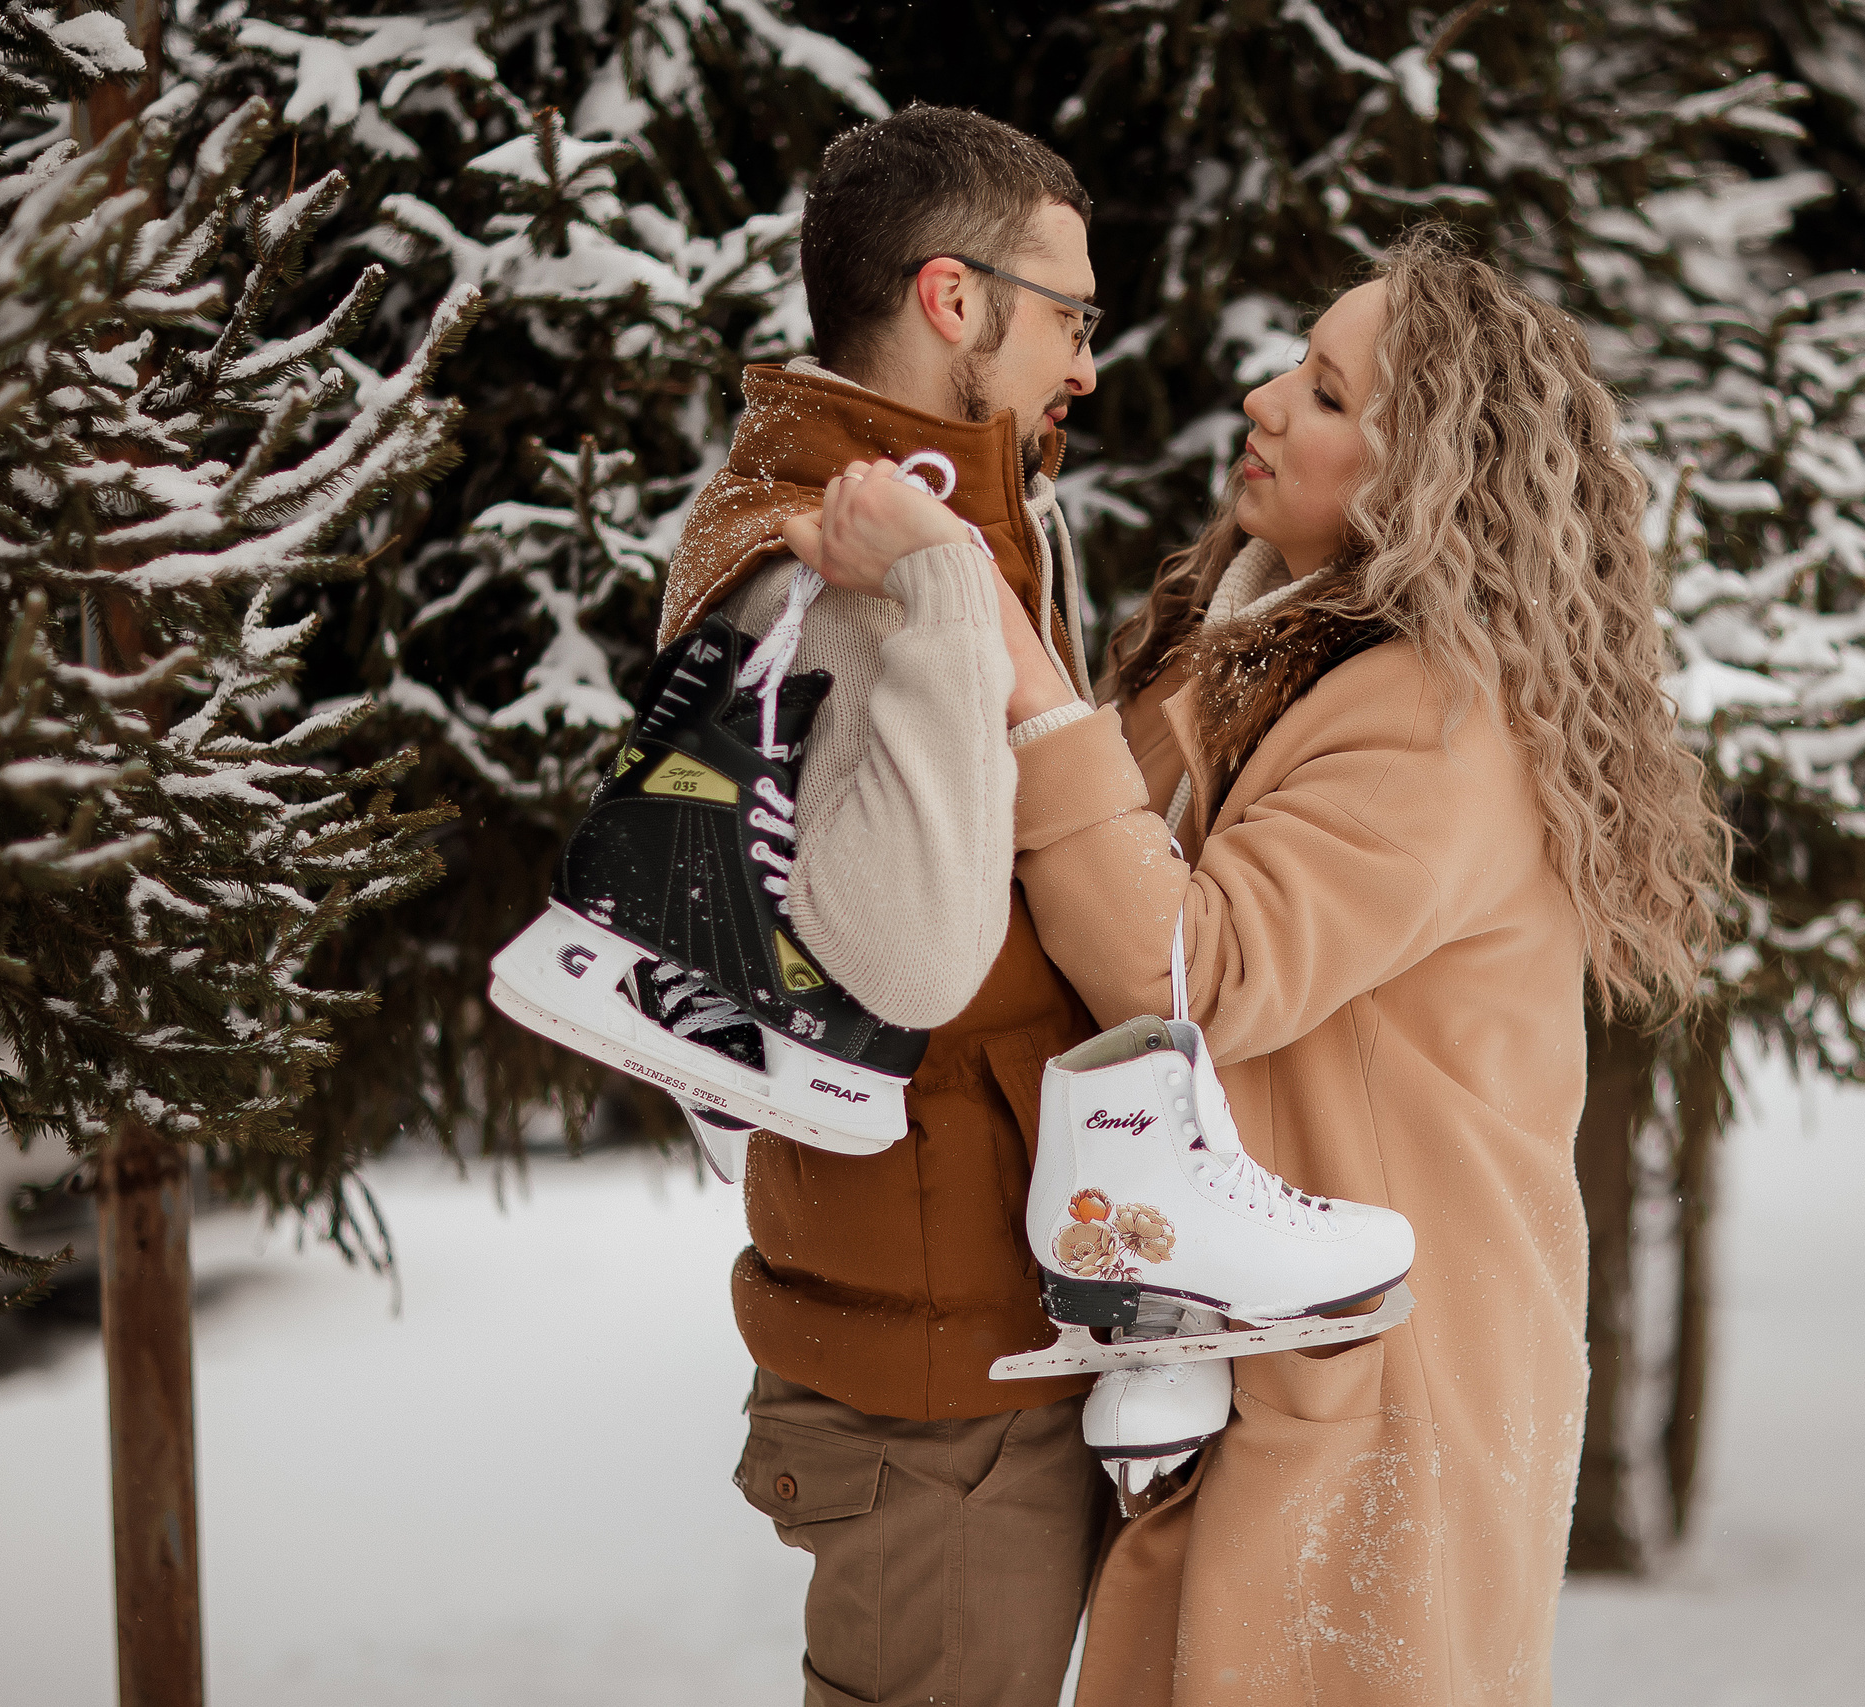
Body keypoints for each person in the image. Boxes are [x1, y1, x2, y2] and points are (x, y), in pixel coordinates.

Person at [799, 226, 1731, 1705]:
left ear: (1431, 481)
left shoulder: (1436, 718)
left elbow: (1196, 970)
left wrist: (1021, 675)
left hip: (1388, 1392)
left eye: (1329, 392)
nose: (1264, 400)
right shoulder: (1241, 646)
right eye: (1296, 364)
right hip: (1267, 1352)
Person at [652, 105, 1114, 1707]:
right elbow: (909, 953)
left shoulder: (938, 503)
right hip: (941, 1395)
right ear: (952, 300)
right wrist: (936, 595)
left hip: (979, 1318)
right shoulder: (832, 550)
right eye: (1070, 313)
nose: (1087, 365)